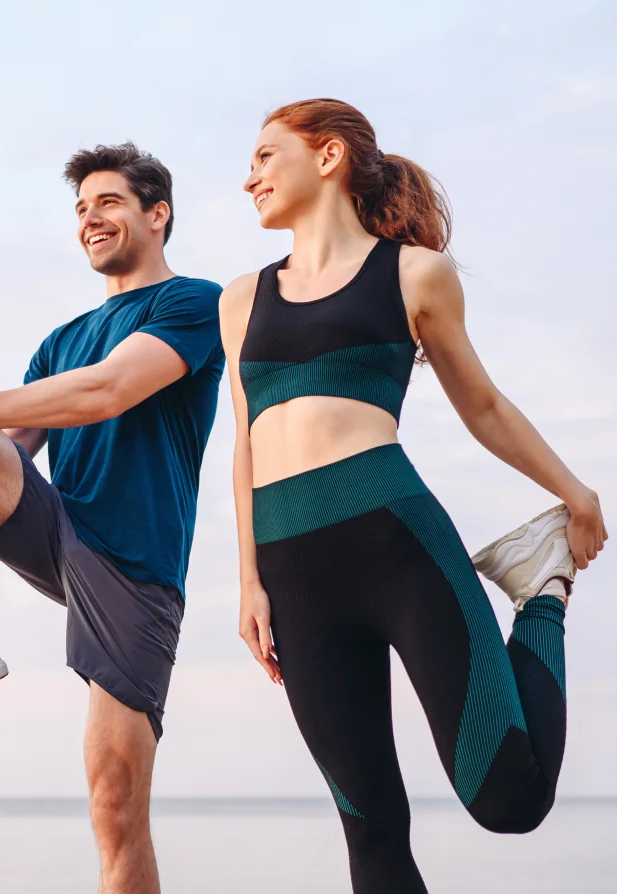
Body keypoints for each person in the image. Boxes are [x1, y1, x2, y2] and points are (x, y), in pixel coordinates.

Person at [219, 98, 607, 893]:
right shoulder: (239, 299)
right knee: (371, 835)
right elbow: (244, 443)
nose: (248, 175)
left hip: (395, 545)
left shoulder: (412, 274)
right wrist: (249, 581)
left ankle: (540, 592)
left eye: (264, 155)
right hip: (293, 575)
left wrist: (575, 494)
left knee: (510, 798)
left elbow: (485, 407)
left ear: (326, 157)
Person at [0, 143, 224, 893]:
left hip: (135, 565)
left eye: (110, 203)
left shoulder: (192, 302)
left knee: (114, 804)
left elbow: (104, 393)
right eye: (82, 209)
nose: (91, 219)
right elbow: (9, 451)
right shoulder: (59, 342)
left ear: (157, 215)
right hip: (56, 529)